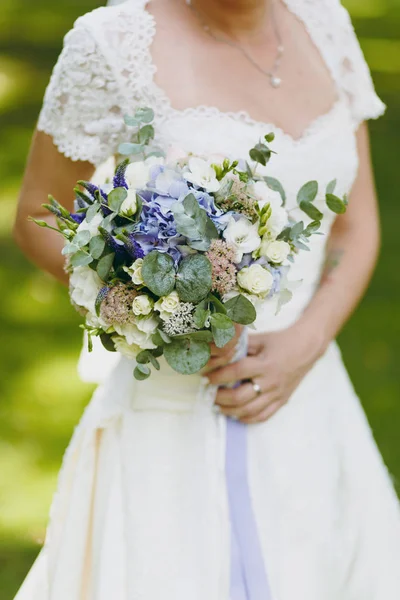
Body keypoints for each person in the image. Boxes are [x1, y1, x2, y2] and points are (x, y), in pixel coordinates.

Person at [13, 0, 400, 599]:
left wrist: (306, 342)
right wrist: (149, 304)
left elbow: (356, 224)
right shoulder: (111, 43)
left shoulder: (326, 25)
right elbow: (41, 213)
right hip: (174, 412)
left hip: (311, 399)